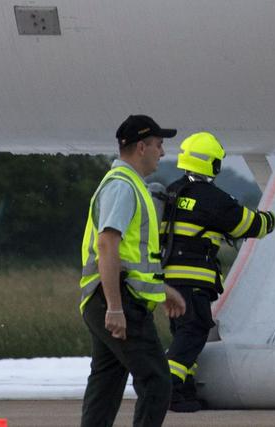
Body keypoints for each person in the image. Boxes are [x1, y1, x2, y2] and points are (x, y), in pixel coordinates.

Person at [80, 115, 186, 427]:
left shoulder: (129, 186)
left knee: (106, 386)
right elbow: (107, 246)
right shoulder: (123, 187)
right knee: (157, 382)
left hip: (107, 296)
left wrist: (161, 289)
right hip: (116, 299)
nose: (163, 152)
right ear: (141, 147)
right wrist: (115, 307)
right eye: (158, 145)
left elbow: (131, 257)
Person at [159, 131, 275, 413]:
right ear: (212, 164)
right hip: (195, 280)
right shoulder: (213, 198)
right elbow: (248, 226)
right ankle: (167, 388)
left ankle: (184, 392)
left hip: (168, 281)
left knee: (182, 334)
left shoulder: (172, 191)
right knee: (194, 332)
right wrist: (271, 219)